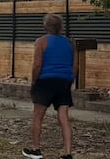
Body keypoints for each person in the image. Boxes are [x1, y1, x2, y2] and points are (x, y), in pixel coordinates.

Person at [24, 13, 74, 159]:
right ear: (60, 27)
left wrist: (34, 81)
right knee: (64, 117)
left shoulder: (41, 42)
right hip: (64, 81)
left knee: (38, 115)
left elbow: (37, 64)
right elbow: (74, 65)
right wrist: (70, 80)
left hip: (45, 81)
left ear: (45, 26)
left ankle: (35, 149)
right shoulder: (69, 42)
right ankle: (67, 152)